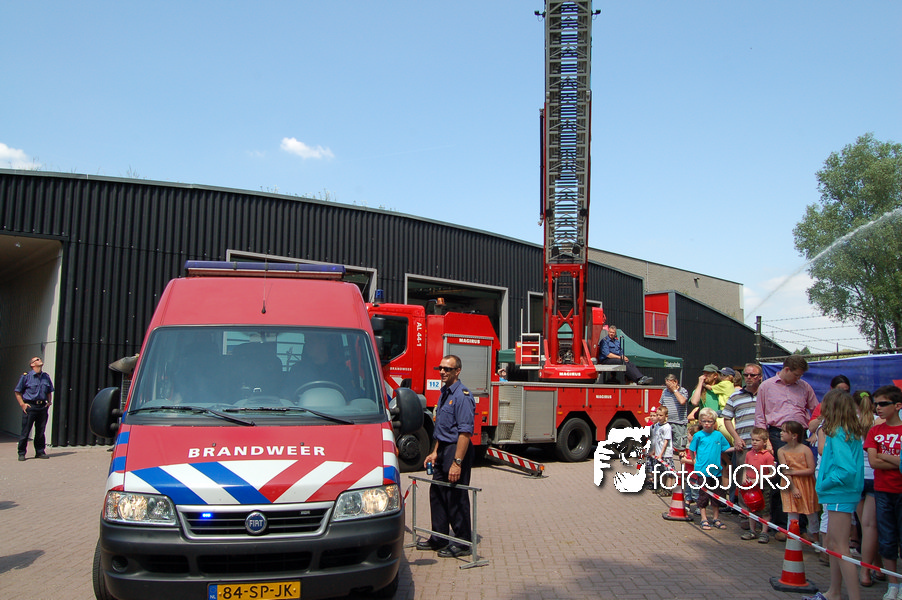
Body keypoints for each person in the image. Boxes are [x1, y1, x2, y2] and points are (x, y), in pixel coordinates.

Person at [754, 354, 819, 536]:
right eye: (796, 375)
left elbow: (816, 410)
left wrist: (815, 431)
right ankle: (782, 525)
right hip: (777, 434)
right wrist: (766, 440)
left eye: (800, 376)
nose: (798, 379)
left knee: (803, 480)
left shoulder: (804, 387)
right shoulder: (766, 386)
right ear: (787, 369)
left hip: (801, 434)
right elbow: (760, 415)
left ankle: (802, 527)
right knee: (780, 479)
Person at [810, 389, 865, 600]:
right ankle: (834, 591)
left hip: (840, 493)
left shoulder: (838, 433)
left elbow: (845, 470)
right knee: (833, 544)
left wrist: (824, 484)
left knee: (841, 547)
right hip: (839, 493)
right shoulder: (846, 431)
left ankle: (853, 596)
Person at [419, 355, 476, 558]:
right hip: (443, 448)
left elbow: (465, 433)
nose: (442, 372)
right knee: (437, 493)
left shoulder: (462, 396)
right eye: (440, 368)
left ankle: (463, 542)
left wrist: (457, 463)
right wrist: (435, 451)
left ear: (457, 371)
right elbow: (442, 428)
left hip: (456, 449)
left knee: (455, 496)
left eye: (447, 369)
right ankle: (439, 537)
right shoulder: (444, 393)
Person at [864, 385, 902, 599]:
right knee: (887, 538)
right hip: (882, 490)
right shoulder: (875, 431)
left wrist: (883, 456)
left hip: (900, 490)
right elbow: (873, 462)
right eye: (875, 404)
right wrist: (898, 460)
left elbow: (879, 458)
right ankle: (893, 583)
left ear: (897, 406)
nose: (878, 408)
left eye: (883, 404)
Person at [723, 362, 764, 527]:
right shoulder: (735, 396)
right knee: (743, 480)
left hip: (763, 447)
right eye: (746, 374)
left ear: (760, 377)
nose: (748, 377)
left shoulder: (765, 394)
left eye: (752, 375)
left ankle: (763, 518)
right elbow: (727, 419)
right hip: (744, 446)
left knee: (763, 481)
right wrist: (736, 438)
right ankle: (745, 516)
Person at [690, 407, 731, 531]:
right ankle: (704, 518)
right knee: (704, 495)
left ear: (714, 422)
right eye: (704, 421)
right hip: (703, 470)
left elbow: (725, 448)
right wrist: (694, 461)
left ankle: (716, 518)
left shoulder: (718, 435)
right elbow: (692, 449)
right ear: (700, 422)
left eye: (709, 421)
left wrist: (737, 448)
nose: (707, 424)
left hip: (716, 471)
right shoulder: (698, 435)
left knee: (717, 495)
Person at [778, 421, 820, 542]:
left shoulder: (805, 450)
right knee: (792, 513)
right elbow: (785, 470)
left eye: (785, 431)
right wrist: (793, 487)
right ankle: (792, 541)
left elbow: (811, 469)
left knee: (810, 512)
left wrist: (793, 472)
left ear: (794, 435)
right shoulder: (781, 451)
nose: (781, 433)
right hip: (789, 484)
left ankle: (816, 540)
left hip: (806, 483)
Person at [740, 427, 776, 543]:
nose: (754, 442)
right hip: (751, 485)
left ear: (765, 442)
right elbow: (746, 467)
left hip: (763, 486)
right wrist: (744, 477)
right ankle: (752, 531)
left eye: (757, 440)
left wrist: (761, 479)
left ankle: (764, 532)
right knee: (751, 509)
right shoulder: (749, 454)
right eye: (753, 440)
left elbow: (772, 472)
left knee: (765, 509)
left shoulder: (767, 456)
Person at [15, 356, 54, 461]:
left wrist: (49, 402)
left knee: (41, 431)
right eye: (37, 359)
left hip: (42, 407)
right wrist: (22, 404)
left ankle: (40, 452)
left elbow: (49, 390)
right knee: (26, 431)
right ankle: (21, 453)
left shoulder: (46, 376)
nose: (39, 360)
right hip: (30, 406)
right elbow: (17, 391)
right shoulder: (26, 377)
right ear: (32, 364)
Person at [659, 374, 689, 455]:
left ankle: (683, 462)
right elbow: (661, 406)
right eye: (667, 385)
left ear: (675, 382)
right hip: (667, 423)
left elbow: (682, 401)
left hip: (679, 423)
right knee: (664, 446)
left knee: (680, 448)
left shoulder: (683, 391)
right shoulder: (665, 391)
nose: (668, 387)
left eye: (670, 385)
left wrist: (674, 390)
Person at [652, 406, 674, 495]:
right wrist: (654, 451)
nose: (659, 417)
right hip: (658, 453)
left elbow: (666, 441)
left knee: (668, 472)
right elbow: (655, 439)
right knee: (661, 471)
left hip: (666, 454)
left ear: (666, 416)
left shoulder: (667, 427)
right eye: (657, 415)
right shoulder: (656, 426)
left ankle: (669, 489)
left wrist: (661, 453)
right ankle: (662, 487)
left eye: (661, 415)